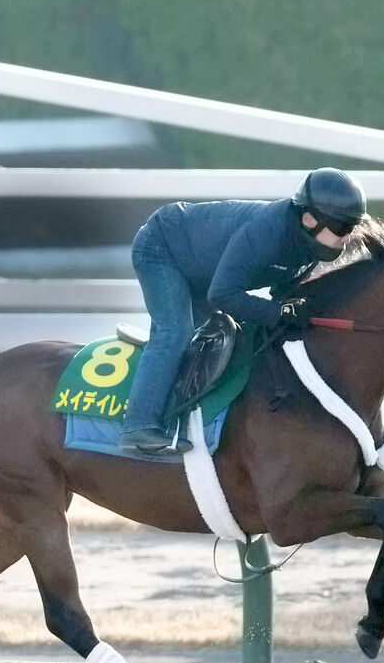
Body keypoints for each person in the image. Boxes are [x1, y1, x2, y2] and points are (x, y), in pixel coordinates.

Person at [117, 166, 369, 454]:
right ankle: (137, 428)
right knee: (176, 332)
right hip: (161, 246)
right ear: (310, 219)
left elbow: (282, 296)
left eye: (353, 228)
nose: (347, 237)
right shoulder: (267, 233)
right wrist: (279, 313)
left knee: (221, 340)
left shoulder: (309, 245)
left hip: (201, 265)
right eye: (343, 228)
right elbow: (223, 294)